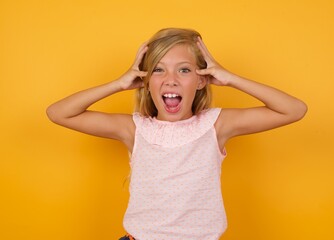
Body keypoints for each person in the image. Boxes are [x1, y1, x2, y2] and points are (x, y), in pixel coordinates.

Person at [46, 28, 307, 240]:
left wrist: (229, 78)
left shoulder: (217, 126)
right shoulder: (135, 130)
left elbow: (294, 110)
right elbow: (59, 113)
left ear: (202, 79)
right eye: (158, 70)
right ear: (146, 82)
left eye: (183, 70)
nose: (171, 79)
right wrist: (119, 83)